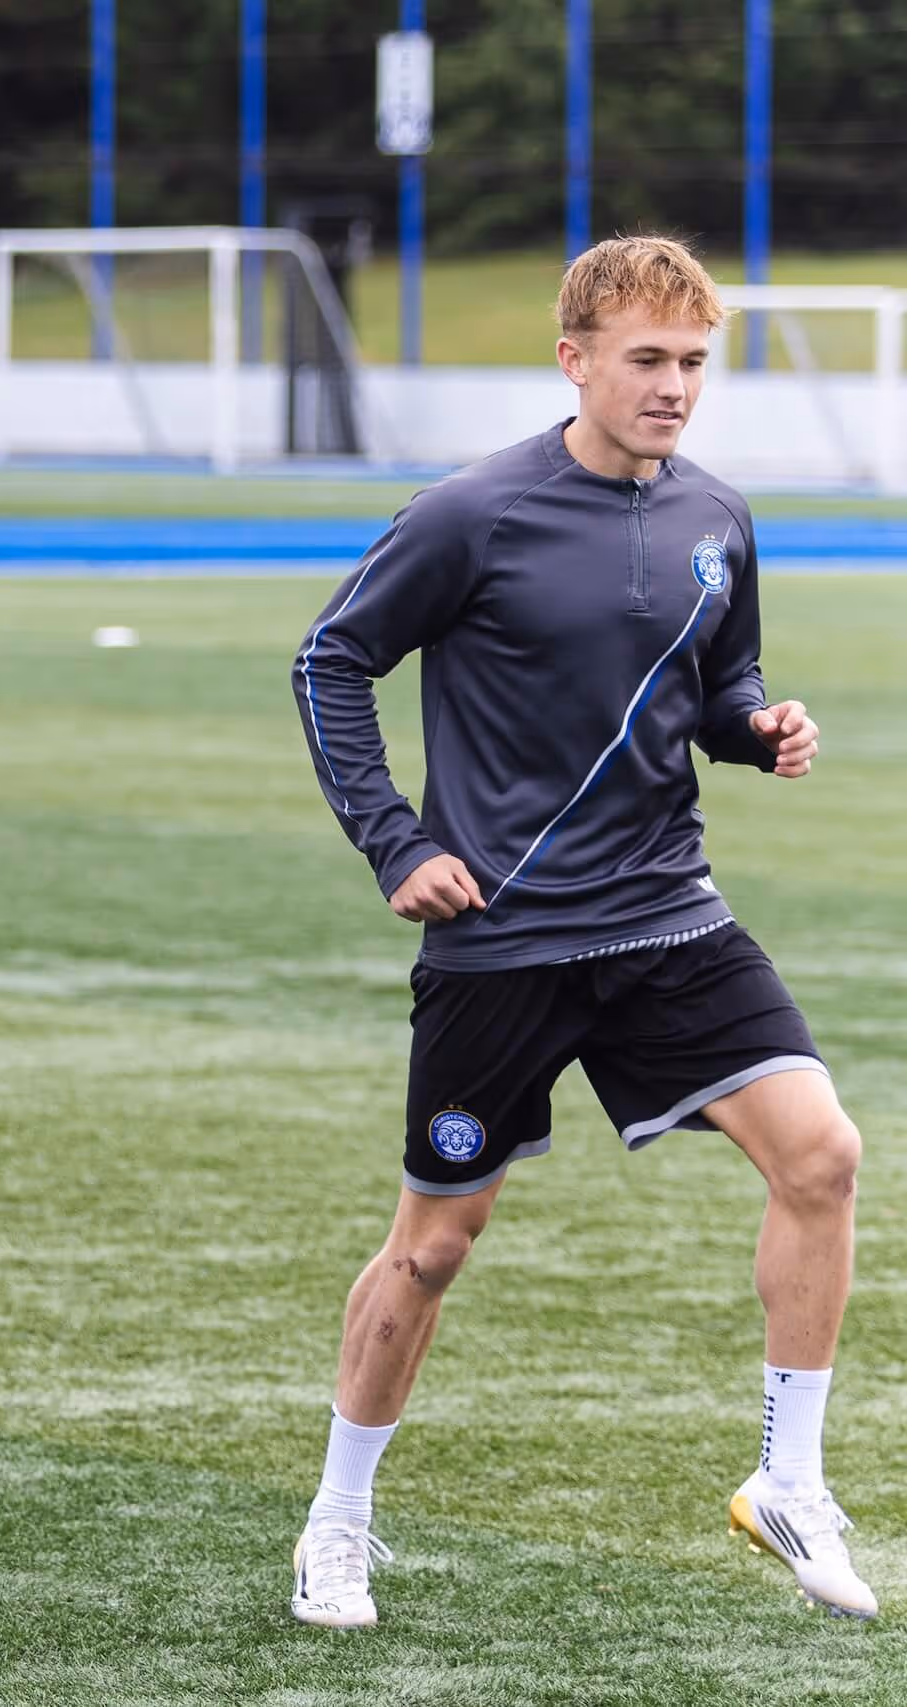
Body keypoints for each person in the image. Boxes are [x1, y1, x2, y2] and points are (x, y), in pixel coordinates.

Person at [286, 234, 869, 1628]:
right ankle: (338, 1520)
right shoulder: (471, 514)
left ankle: (790, 1478)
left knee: (825, 1153)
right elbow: (331, 659)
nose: (674, 388)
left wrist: (759, 728)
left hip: (669, 917)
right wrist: (399, 842)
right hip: (505, 941)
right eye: (647, 360)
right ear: (576, 359)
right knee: (433, 1245)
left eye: (692, 364)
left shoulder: (718, 518)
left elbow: (717, 685)